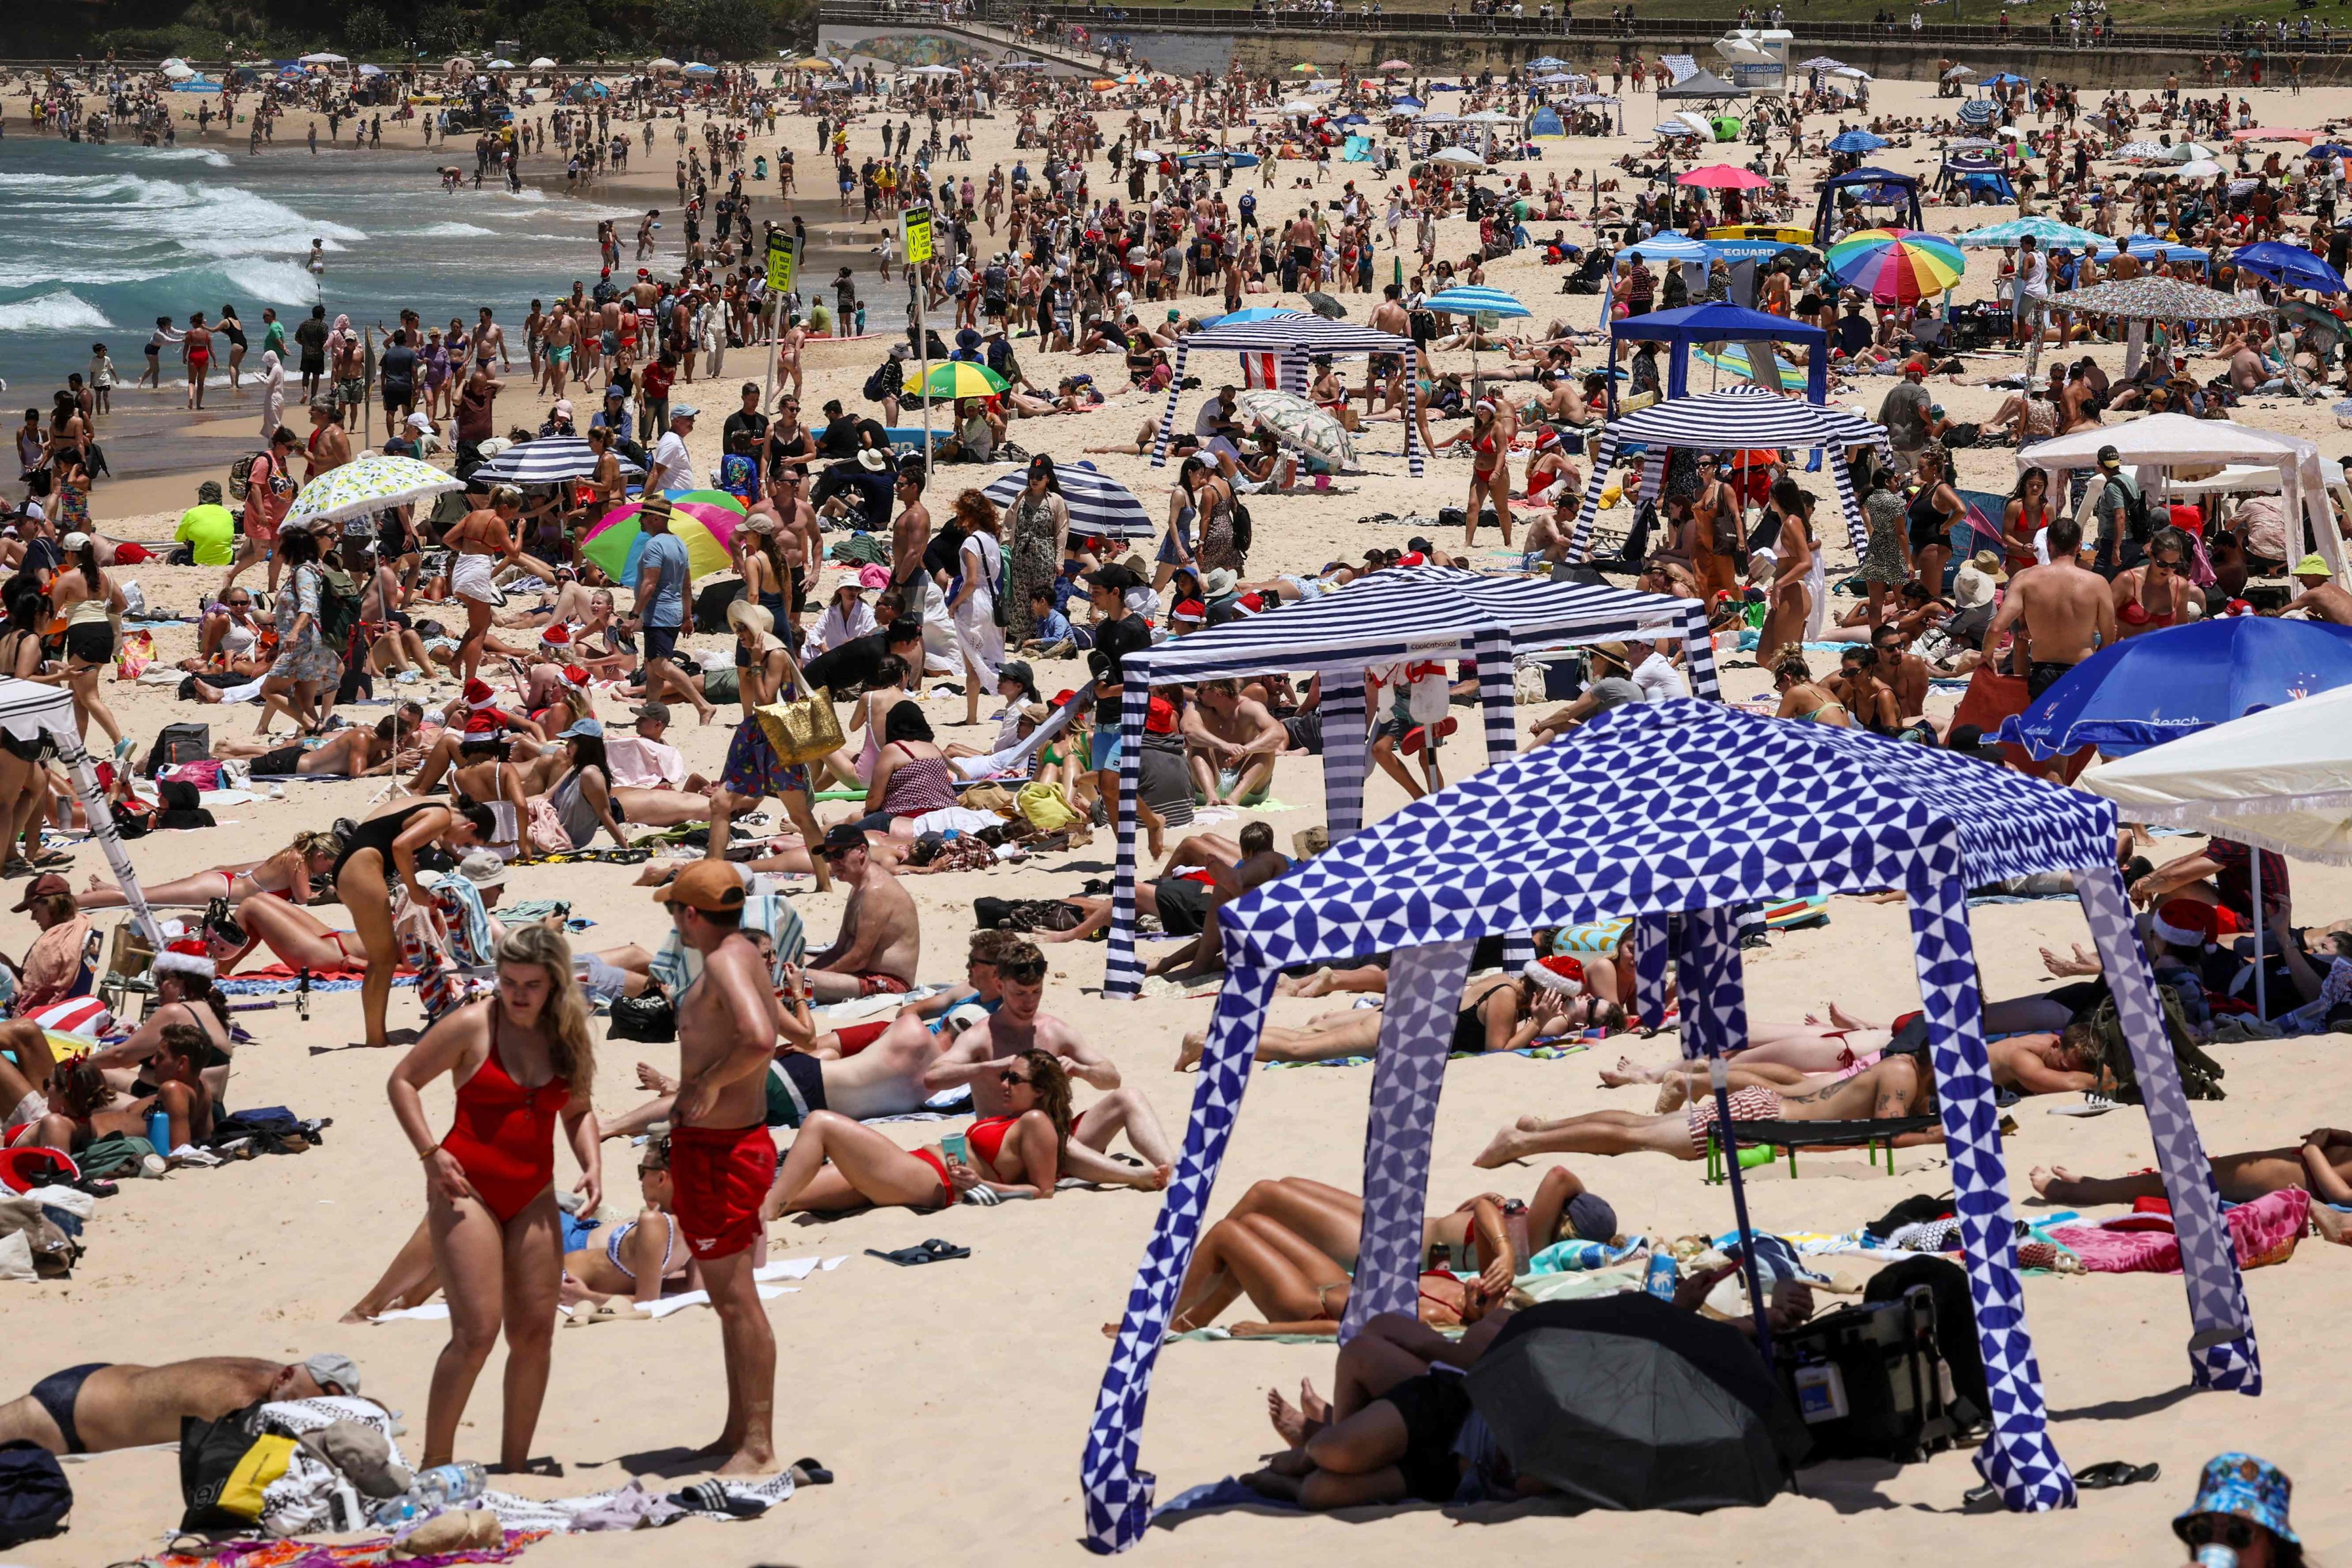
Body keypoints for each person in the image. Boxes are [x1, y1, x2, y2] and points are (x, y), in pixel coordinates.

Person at [388, 925, 599, 1472]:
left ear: (554, 984)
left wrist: (593, 1161)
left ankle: (515, 1466)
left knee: (534, 1334)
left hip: (533, 1193)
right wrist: (430, 1152)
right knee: (476, 1333)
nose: (519, 994)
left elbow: (576, 1110)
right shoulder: (473, 1024)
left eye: (531, 984)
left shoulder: (568, 1034)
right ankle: (435, 1464)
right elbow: (403, 1081)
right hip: (466, 1189)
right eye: (509, 982)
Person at [652, 860, 782, 1475]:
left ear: (692, 914)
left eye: (674, 909)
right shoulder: (743, 955)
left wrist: (704, 1083)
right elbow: (774, 1026)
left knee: (737, 1301)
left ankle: (757, 1444)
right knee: (731, 1302)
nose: (672, 920)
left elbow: (760, 1039)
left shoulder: (728, 961)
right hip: (724, 1146)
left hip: (725, 1152)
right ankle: (737, 1431)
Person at [768, 1047, 1076, 1215]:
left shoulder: (1035, 1122)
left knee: (821, 1122)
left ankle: (764, 1216)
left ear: (1039, 1090)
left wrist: (981, 1183)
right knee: (790, 1195)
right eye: (1006, 1075)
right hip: (912, 1168)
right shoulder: (1014, 1118)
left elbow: (1043, 1191)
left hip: (931, 1181)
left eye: (1014, 1079)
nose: (1004, 1084)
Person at [333, 800, 496, 1048]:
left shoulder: (431, 803)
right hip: (361, 869)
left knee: (383, 957)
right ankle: (375, 1039)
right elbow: (401, 846)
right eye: (468, 843)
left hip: (352, 866)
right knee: (384, 959)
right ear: (470, 826)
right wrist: (414, 888)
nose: (458, 846)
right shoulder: (441, 816)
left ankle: (376, 1037)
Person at [707, 602, 832, 893]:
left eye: (743, 628)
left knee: (801, 815)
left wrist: (754, 664)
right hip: (756, 737)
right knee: (720, 803)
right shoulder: (758, 657)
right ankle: (710, 876)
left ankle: (824, 882)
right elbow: (750, 703)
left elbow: (766, 701)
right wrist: (750, 665)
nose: (738, 633)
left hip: (777, 740)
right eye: (737, 628)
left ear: (757, 631)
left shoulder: (776, 656)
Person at [0, 1356, 362, 1456]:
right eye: (305, 1401)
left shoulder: (269, 1374)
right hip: (68, 1415)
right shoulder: (239, 1400)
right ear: (285, 1377)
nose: (303, 1410)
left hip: (101, 1384)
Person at [805, 823, 920, 999]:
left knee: (797, 980)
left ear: (861, 850)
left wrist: (811, 977)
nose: (834, 862)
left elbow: (859, 958)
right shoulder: (859, 887)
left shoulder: (876, 891)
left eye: (839, 854)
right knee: (791, 963)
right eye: (828, 856)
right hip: (860, 974)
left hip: (890, 983)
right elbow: (840, 949)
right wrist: (808, 971)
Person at [48, 531, 128, 756]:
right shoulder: (104, 576)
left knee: (90, 696)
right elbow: (122, 604)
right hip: (104, 633)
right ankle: (77, 748)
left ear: (71, 555)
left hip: (83, 635)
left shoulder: (67, 578)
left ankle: (120, 741)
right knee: (78, 695)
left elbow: (51, 614)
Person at [174, 480, 237, 569]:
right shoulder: (228, 515)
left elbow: (178, 538)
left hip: (198, 561)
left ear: (201, 496)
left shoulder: (192, 513)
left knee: (174, 555)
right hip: (227, 561)